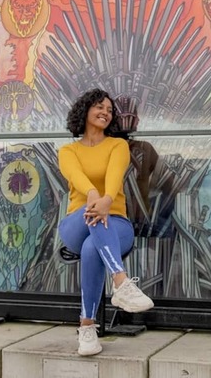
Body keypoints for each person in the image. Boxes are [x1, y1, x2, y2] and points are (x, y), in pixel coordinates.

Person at [58, 88, 154, 356]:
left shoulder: (118, 145)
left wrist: (107, 199)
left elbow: (114, 177)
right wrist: (93, 197)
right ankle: (121, 281)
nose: (105, 113)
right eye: (100, 107)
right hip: (76, 223)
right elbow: (76, 177)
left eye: (110, 110)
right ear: (85, 111)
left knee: (92, 249)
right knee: (93, 215)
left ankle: (87, 328)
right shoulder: (68, 150)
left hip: (116, 223)